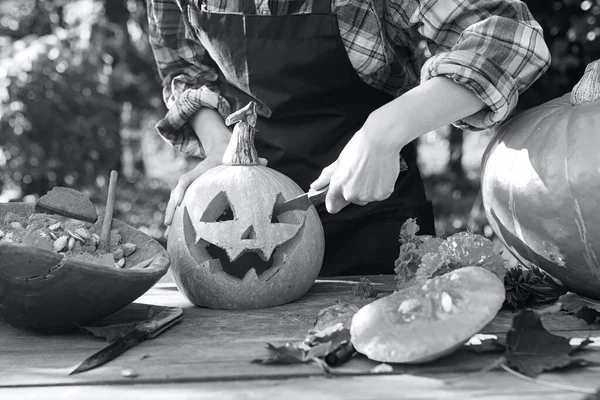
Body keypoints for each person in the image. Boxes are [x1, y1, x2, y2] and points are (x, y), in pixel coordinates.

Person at [147, 0, 550, 277]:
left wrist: (384, 131)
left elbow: (508, 36)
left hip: (374, 218)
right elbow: (182, 63)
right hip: (238, 208)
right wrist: (218, 143)